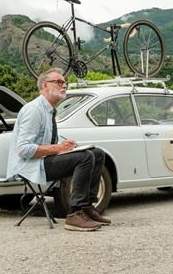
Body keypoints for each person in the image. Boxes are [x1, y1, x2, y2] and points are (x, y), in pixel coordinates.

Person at [7, 68, 110, 231]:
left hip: (43, 161)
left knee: (97, 154)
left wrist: (66, 146)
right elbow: (23, 149)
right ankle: (74, 214)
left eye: (65, 83)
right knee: (85, 157)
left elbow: (46, 141)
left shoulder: (48, 110)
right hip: (31, 165)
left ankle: (87, 209)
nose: (64, 86)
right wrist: (58, 148)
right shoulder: (34, 110)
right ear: (45, 85)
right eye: (59, 82)